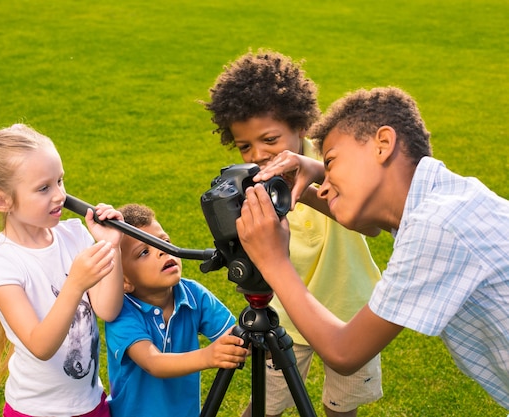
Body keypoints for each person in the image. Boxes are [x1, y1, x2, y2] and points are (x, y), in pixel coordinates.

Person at [236, 86, 509, 409]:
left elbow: (344, 353)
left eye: (332, 161)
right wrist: (313, 179)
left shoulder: (437, 225)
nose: (323, 189)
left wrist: (273, 260)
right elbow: (372, 224)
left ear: (383, 144)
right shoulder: (445, 201)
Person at [202, 49, 383, 417]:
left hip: (351, 311)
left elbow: (370, 224)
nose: (259, 155)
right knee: (264, 406)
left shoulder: (332, 164)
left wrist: (306, 183)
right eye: (245, 147)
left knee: (341, 408)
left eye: (269, 139)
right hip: (283, 317)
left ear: (300, 126)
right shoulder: (249, 186)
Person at [0, 123, 124, 417]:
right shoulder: (0, 263)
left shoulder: (73, 234)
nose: (59, 196)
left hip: (91, 403)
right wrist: (74, 284)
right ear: (2, 201)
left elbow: (107, 309)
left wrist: (112, 247)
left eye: (60, 181)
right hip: (36, 411)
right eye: (44, 188)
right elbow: (40, 345)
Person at [104, 203, 248, 417]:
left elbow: (231, 335)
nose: (162, 251)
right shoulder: (122, 312)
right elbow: (153, 363)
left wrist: (248, 342)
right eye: (144, 252)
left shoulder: (192, 294)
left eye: (164, 242)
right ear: (124, 280)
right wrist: (208, 356)